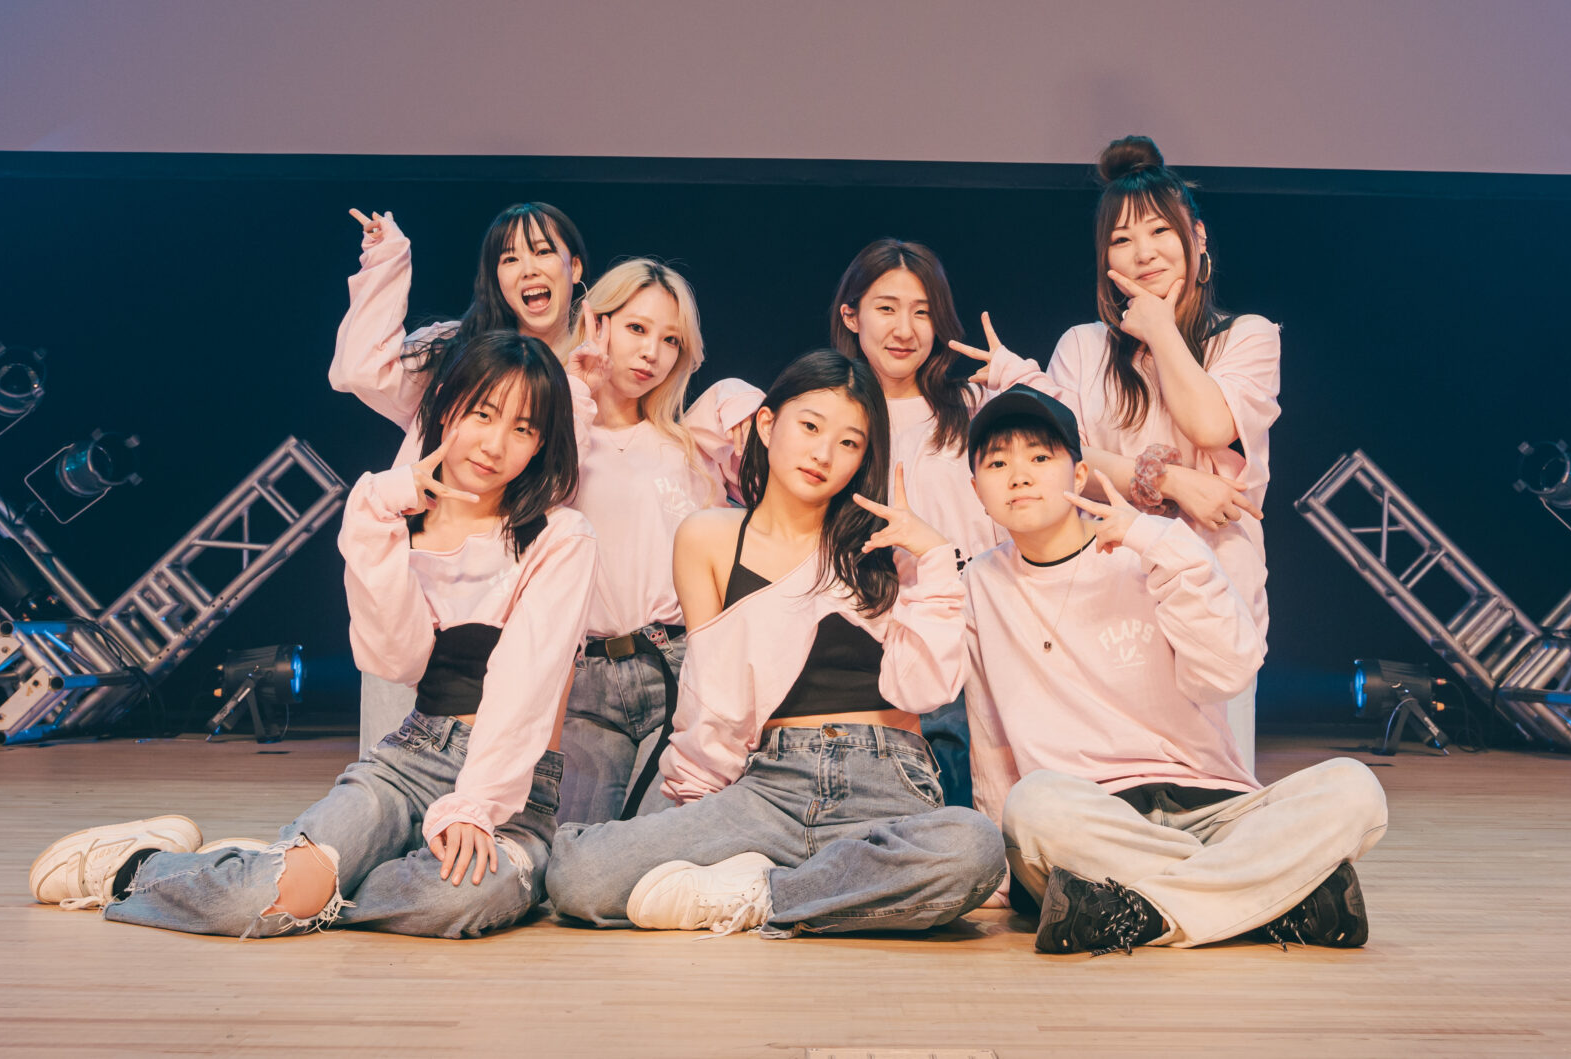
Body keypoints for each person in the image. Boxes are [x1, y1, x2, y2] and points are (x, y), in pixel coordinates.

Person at [28, 332, 594, 939]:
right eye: (483, 414)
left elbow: (525, 685)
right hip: (409, 762)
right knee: (269, 901)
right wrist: (380, 511)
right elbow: (393, 658)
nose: (495, 444)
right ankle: (137, 868)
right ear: (448, 407)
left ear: (542, 444)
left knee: (450, 902)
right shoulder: (392, 526)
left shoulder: (560, 538)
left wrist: (474, 805)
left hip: (512, 794)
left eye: (523, 429)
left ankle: (280, 873)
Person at [544, 350, 1007, 936]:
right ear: (767, 424)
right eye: (810, 426)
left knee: (974, 848)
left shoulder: (888, 548)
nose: (823, 454)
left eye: (849, 442)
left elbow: (926, 690)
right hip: (767, 787)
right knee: (579, 874)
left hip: (885, 783)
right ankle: (826, 891)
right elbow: (712, 694)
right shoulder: (709, 537)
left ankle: (762, 894)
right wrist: (696, 806)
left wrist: (936, 556)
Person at [958, 385, 1385, 955]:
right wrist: (1003, 871)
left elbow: (1228, 672)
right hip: (1093, 817)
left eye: (1039, 457)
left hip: (1214, 807)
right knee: (1033, 806)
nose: (1019, 476)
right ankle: (1275, 899)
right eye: (997, 464)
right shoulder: (979, 582)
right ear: (976, 490)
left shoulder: (1154, 548)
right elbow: (989, 735)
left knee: (1354, 789)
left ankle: (1139, 913)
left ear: (1079, 472)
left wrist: (1153, 541)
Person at [1044, 135, 1280, 753]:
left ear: (1197, 238)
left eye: (1159, 232)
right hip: (1106, 595)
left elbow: (1209, 425)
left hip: (1215, 597)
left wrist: (1159, 328)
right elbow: (1059, 463)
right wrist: (1170, 480)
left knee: (1218, 780)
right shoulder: (1082, 347)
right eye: (1122, 239)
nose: (1143, 253)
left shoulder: (1249, 337)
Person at [334, 200, 588, 750]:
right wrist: (386, 261)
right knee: (391, 759)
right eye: (509, 258)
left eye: (543, 252)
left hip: (509, 593)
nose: (527, 269)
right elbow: (359, 370)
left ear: (575, 267)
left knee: (498, 771)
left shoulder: (594, 369)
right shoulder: (458, 351)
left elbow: (568, 485)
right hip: (417, 577)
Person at [827, 237, 1042, 811]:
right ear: (851, 315)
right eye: (887, 308)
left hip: (983, 619)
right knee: (909, 794)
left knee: (993, 789)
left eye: (922, 312)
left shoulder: (972, 406)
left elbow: (1067, 444)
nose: (905, 329)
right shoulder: (834, 415)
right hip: (883, 629)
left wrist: (1017, 377)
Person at [555, 257, 759, 825]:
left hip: (678, 666)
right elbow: (546, 489)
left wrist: (739, 396)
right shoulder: (558, 431)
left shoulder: (690, 446)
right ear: (597, 323)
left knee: (656, 844)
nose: (652, 353)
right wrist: (577, 389)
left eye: (671, 340)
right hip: (584, 679)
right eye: (637, 328)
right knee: (569, 848)